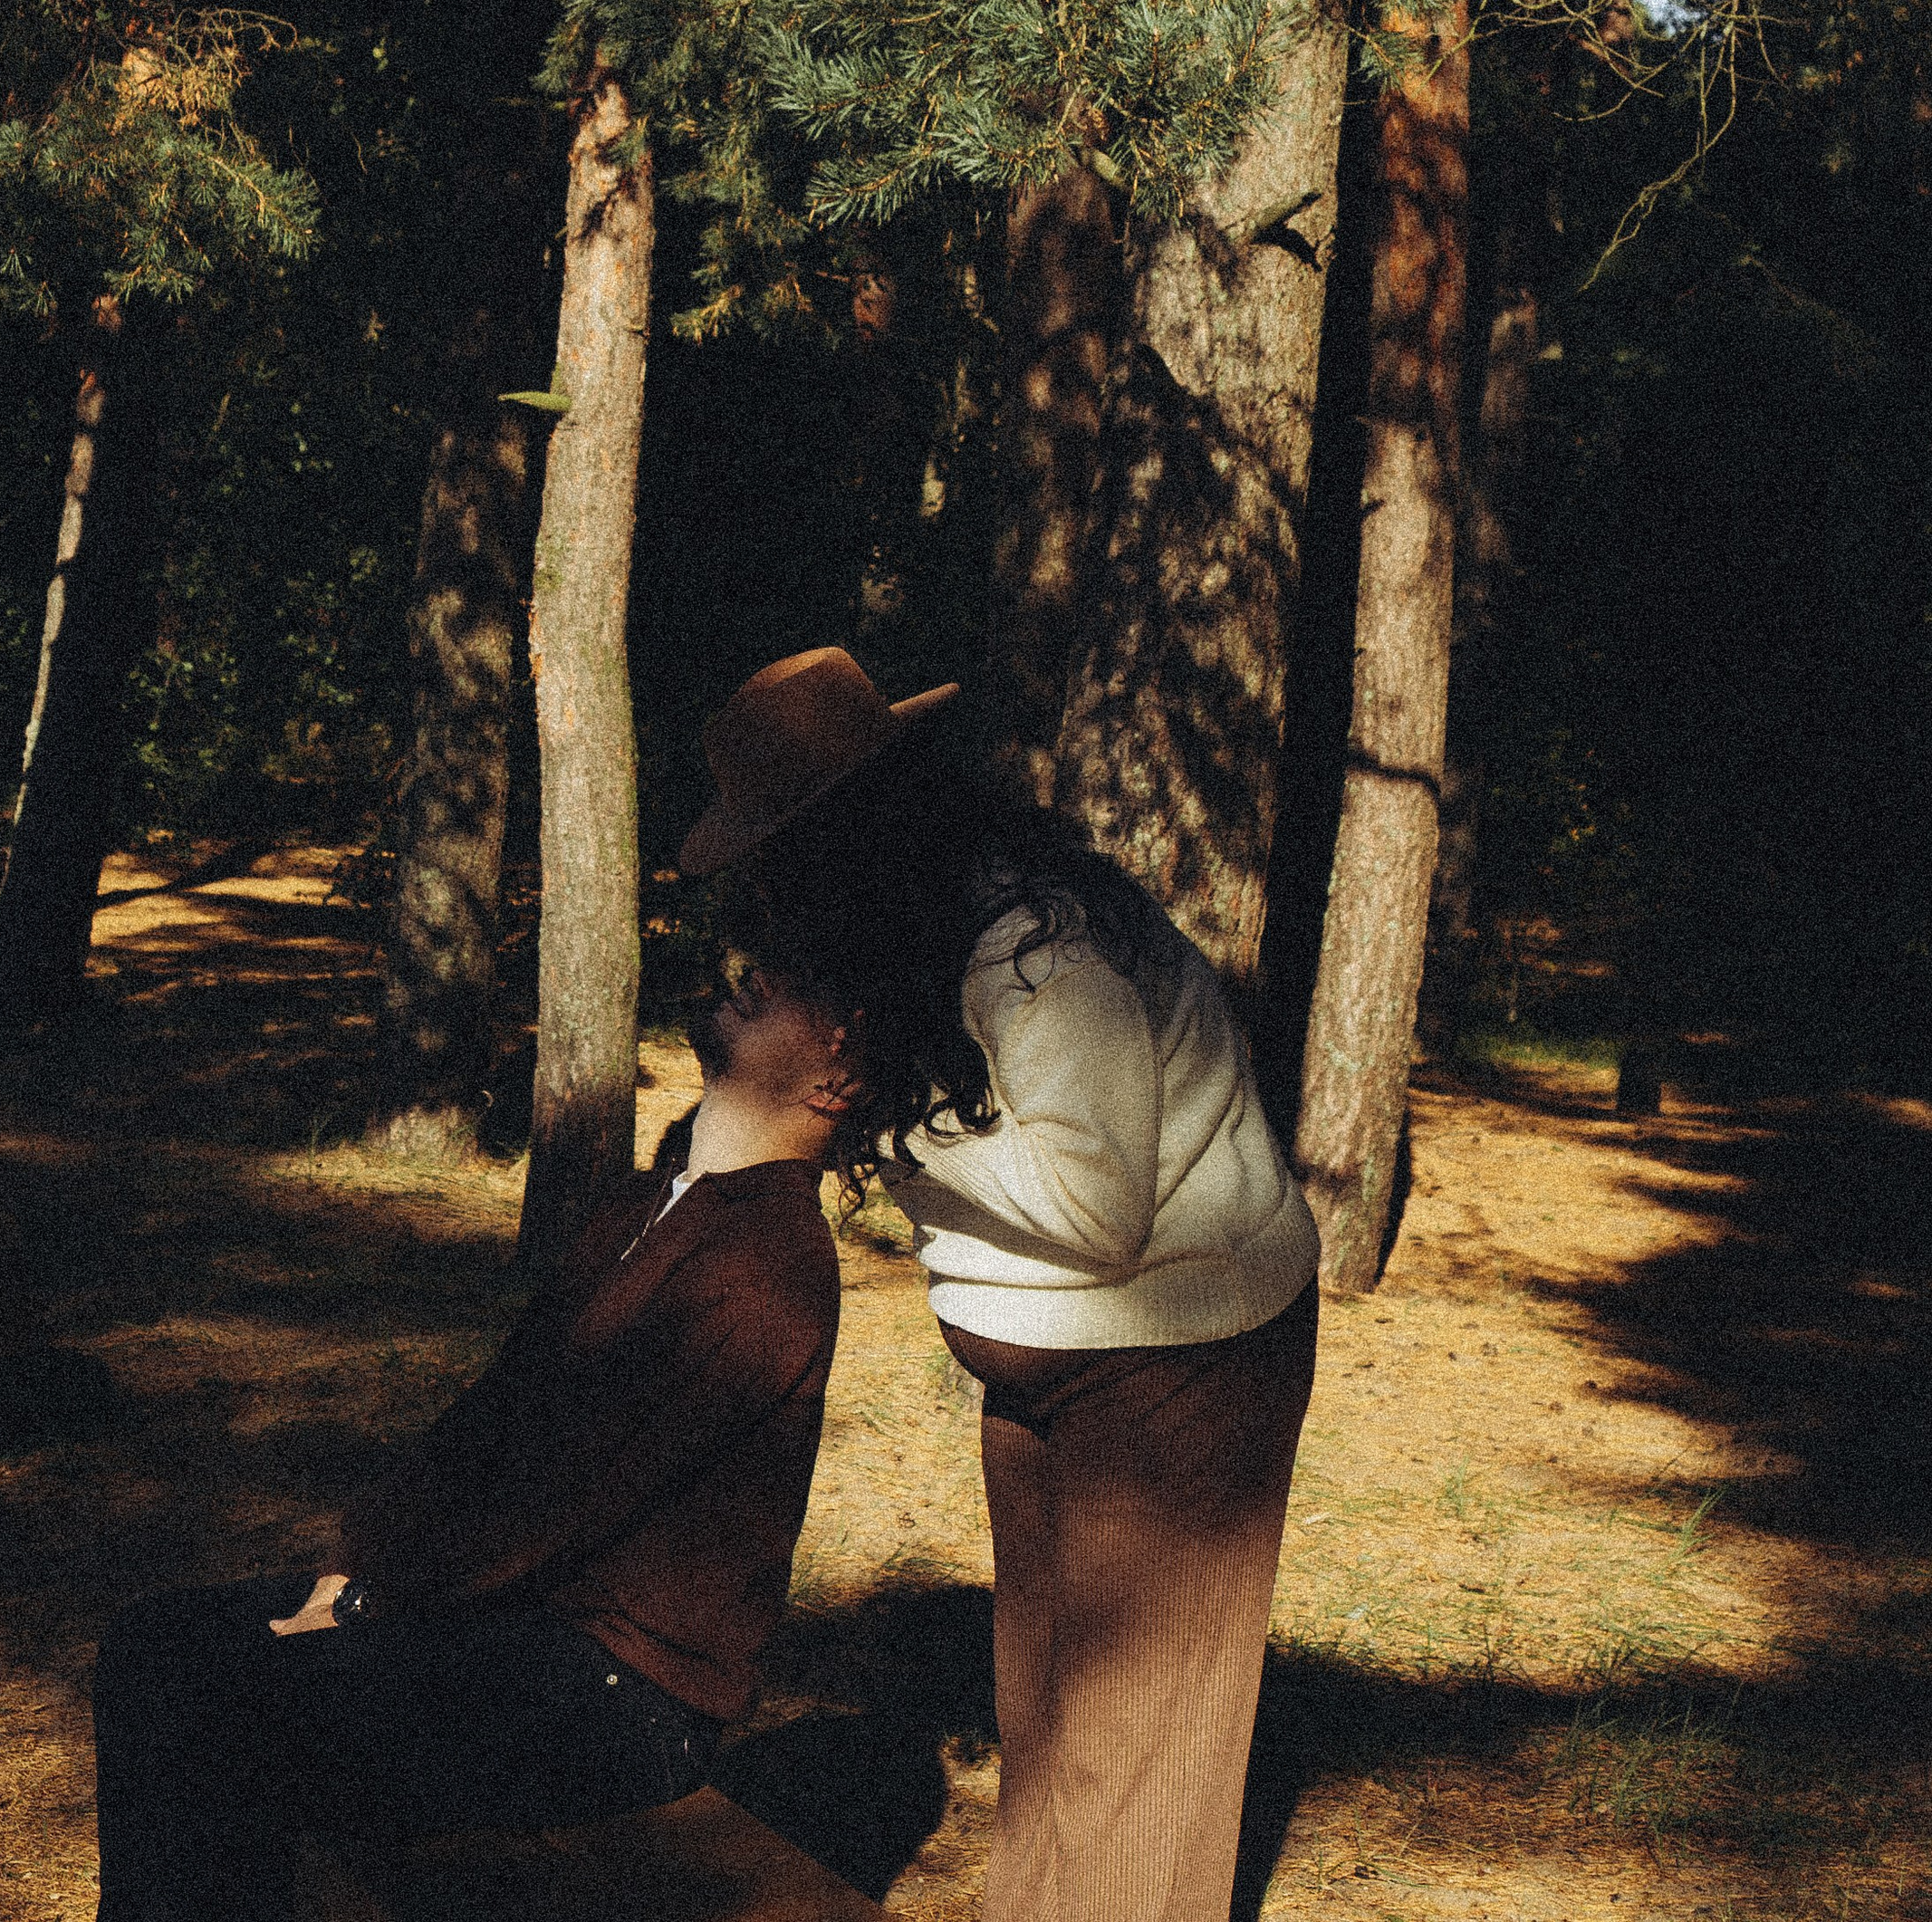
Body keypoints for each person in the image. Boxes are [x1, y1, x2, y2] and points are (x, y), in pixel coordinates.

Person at [683, 644, 1322, 1922]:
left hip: (1183, 1361)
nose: (765, 883)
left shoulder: (1034, 946)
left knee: (1141, 1752)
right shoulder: (919, 931)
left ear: (848, 834)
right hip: (1060, 1367)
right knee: (1054, 1720)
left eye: (781, 849)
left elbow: (1095, 1203)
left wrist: (881, 1116)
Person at [90, 962, 856, 1921]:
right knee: (158, 1643)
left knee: (212, 1699)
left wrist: (371, 1601)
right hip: (510, 1631)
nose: (753, 975)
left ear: (837, 1082)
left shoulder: (769, 1260)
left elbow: (567, 1498)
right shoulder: (646, 1205)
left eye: (800, 990)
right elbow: (486, 1421)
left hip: (622, 1700)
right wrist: (352, 1563)